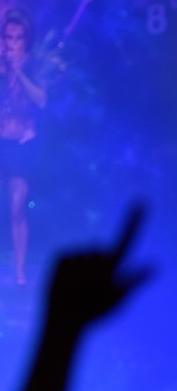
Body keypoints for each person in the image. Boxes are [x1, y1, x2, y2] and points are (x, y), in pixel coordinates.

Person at [0, 8, 46, 286]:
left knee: (17, 207)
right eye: (8, 38)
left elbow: (41, 100)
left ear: (25, 40)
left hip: (22, 146)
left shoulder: (35, 66)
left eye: (18, 38)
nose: (12, 43)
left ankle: (19, 270)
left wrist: (19, 72)